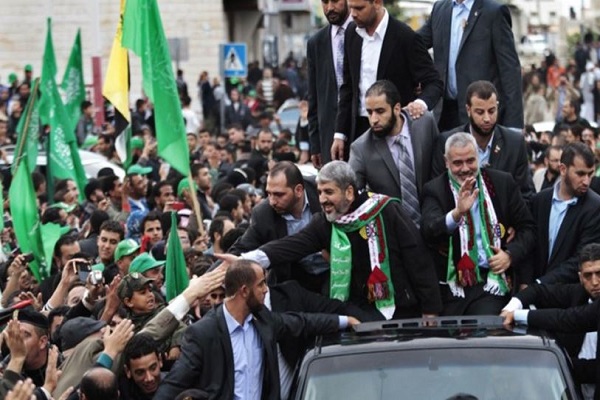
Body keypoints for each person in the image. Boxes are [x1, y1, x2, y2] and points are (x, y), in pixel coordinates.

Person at [226, 161, 442, 320]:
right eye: (320, 192)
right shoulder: (325, 222)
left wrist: (430, 310)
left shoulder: (387, 210)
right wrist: (245, 260)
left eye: (329, 192)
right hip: (362, 312)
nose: (322, 200)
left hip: (404, 307)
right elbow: (291, 246)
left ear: (349, 192)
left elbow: (418, 259)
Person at [155, 259, 351, 399]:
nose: (266, 289)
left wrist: (344, 321)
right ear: (244, 291)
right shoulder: (203, 333)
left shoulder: (263, 320)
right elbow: (175, 383)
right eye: (261, 284)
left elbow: (301, 322)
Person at [421, 132, 536, 315]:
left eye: (470, 161)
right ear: (446, 162)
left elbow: (528, 228)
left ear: (479, 157)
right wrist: (457, 214)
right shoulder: (435, 189)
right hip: (452, 285)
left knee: (484, 327)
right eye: (457, 163)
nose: (465, 169)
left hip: (492, 282)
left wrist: (509, 255)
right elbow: (429, 230)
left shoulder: (501, 182)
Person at [331, 0, 443, 161]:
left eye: (359, 8)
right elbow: (348, 88)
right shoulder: (351, 33)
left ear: (377, 3)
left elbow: (434, 82)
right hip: (359, 130)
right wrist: (340, 133)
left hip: (394, 131)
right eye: (351, 8)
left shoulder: (405, 36)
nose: (353, 14)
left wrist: (420, 104)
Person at [502, 243, 600, 398]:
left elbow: (568, 319)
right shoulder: (578, 293)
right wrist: (511, 307)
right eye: (588, 275)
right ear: (580, 277)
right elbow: (538, 291)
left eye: (599, 273)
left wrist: (556, 365)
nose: (595, 282)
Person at [417, 0, 523, 130]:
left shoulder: (494, 12)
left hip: (481, 116)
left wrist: (514, 125)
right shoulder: (440, 9)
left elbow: (510, 70)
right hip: (445, 114)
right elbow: (414, 43)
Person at [349, 80, 439, 228]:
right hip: (392, 231)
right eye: (370, 112)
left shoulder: (425, 123)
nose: (374, 120)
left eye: (380, 111)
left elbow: (439, 173)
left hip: (432, 224)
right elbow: (349, 191)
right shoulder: (361, 148)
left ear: (397, 109)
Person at [229, 161, 327, 293]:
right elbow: (241, 248)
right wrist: (208, 278)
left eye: (279, 195)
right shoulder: (264, 214)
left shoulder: (322, 192)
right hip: (293, 283)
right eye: (269, 194)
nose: (272, 201)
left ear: (298, 190)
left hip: (334, 272)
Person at [432, 81, 534, 204]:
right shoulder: (447, 142)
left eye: (491, 111)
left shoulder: (515, 143)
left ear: (497, 106)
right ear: (468, 110)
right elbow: (437, 193)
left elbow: (525, 194)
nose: (487, 119)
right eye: (480, 112)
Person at [529, 143, 600, 285]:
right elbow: (529, 245)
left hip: (566, 292)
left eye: (590, 174)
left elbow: (580, 259)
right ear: (563, 169)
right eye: (580, 174)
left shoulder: (595, 207)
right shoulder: (539, 200)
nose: (586, 181)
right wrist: (525, 282)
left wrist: (539, 285)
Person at [307, 0, 352, 168]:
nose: (330, 8)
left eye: (335, 1)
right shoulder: (316, 43)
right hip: (329, 138)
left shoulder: (364, 33)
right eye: (325, 2)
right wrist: (315, 144)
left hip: (360, 129)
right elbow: (313, 97)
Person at [121, 333, 162, 400]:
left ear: (160, 361)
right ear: (128, 371)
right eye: (140, 373)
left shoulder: (176, 386)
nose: (149, 378)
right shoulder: (121, 393)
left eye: (153, 368)